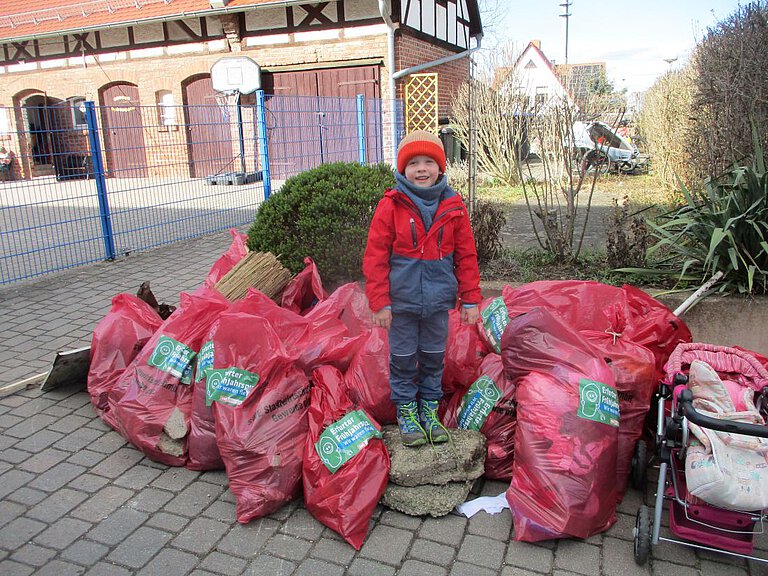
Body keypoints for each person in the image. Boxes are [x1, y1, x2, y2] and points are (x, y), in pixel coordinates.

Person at [363, 130, 482, 447]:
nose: (421, 169)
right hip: (400, 306)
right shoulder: (391, 206)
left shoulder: (454, 207)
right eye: (413, 163)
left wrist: (470, 300)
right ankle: (406, 412)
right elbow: (375, 258)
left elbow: (467, 256)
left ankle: (429, 411)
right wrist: (379, 303)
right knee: (402, 359)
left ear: (440, 167)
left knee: (433, 358)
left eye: (429, 161)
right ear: (402, 169)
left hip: (437, 304)